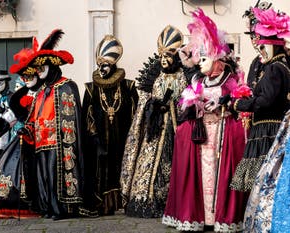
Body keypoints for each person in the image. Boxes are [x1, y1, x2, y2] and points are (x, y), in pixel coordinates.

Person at [162, 9, 248, 232]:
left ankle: (219, 216)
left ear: (217, 59)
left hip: (222, 135)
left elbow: (240, 103)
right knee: (201, 176)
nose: (199, 63)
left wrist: (225, 103)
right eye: (198, 58)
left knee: (218, 176)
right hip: (202, 138)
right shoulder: (198, 80)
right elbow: (187, 101)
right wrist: (193, 103)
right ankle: (202, 216)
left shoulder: (229, 80)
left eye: (204, 58)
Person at [120, 25, 187, 218]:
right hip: (155, 129)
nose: (164, 60)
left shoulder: (182, 77)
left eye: (168, 56)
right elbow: (146, 103)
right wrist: (154, 106)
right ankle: (148, 199)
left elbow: (185, 102)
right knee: (149, 166)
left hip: (175, 130)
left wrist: (172, 106)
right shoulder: (156, 78)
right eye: (162, 57)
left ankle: (173, 201)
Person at [17, 28, 84, 220]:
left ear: (51, 66)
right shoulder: (40, 92)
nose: (38, 71)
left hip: (58, 143)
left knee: (56, 176)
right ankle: (47, 207)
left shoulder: (66, 86)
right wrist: (27, 129)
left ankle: (60, 209)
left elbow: (71, 119)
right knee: (44, 178)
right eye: (36, 68)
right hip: (41, 143)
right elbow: (34, 118)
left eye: (42, 67)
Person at [236, 6, 290, 232]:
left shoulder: (275, 68)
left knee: (264, 180)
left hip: (268, 129)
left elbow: (266, 99)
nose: (260, 49)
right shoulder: (282, 66)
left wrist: (243, 104)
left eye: (263, 45)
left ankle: (262, 221)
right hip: (271, 127)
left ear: (273, 45)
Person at [0, 45, 42, 218]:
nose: (27, 79)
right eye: (24, 76)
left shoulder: (44, 93)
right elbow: (11, 116)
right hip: (21, 141)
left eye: (30, 76)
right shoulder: (19, 97)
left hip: (41, 140)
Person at [81, 35, 138, 216]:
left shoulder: (128, 87)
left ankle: (123, 202)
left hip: (122, 139)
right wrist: (95, 139)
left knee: (121, 167)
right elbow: (87, 116)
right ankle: (103, 205)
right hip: (99, 142)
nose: (101, 68)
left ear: (113, 65)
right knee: (102, 172)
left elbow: (136, 115)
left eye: (105, 65)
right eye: (99, 65)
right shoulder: (91, 89)